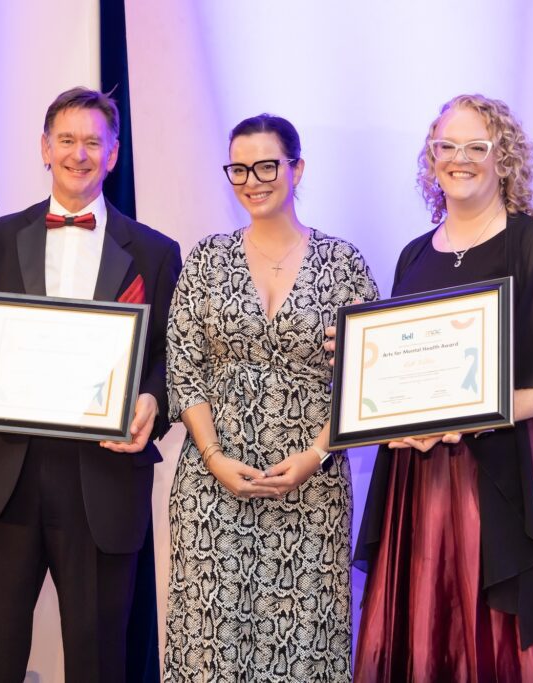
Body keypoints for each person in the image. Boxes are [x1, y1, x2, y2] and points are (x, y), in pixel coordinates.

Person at [346, 94, 533, 681]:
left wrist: (483, 416)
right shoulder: (414, 255)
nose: (460, 159)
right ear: (431, 160)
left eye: (477, 146)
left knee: (525, 648)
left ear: (504, 159)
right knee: (437, 632)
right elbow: (407, 371)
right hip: (427, 477)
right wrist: (365, 377)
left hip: (529, 470)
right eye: (446, 146)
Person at [0, 86, 182, 682]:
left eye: (93, 143)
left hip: (103, 480)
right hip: (8, 473)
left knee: (99, 661)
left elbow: (169, 358)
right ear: (45, 148)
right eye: (68, 140)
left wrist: (152, 398)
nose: (79, 154)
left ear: (114, 154)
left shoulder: (155, 251)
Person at [163, 114, 379, 682]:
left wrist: (313, 457)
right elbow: (184, 367)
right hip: (212, 484)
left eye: (266, 165)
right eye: (239, 168)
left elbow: (370, 379)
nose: (252, 179)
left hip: (312, 485)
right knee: (211, 644)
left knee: (305, 646)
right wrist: (213, 457)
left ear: (296, 168)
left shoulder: (343, 263)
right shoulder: (205, 260)